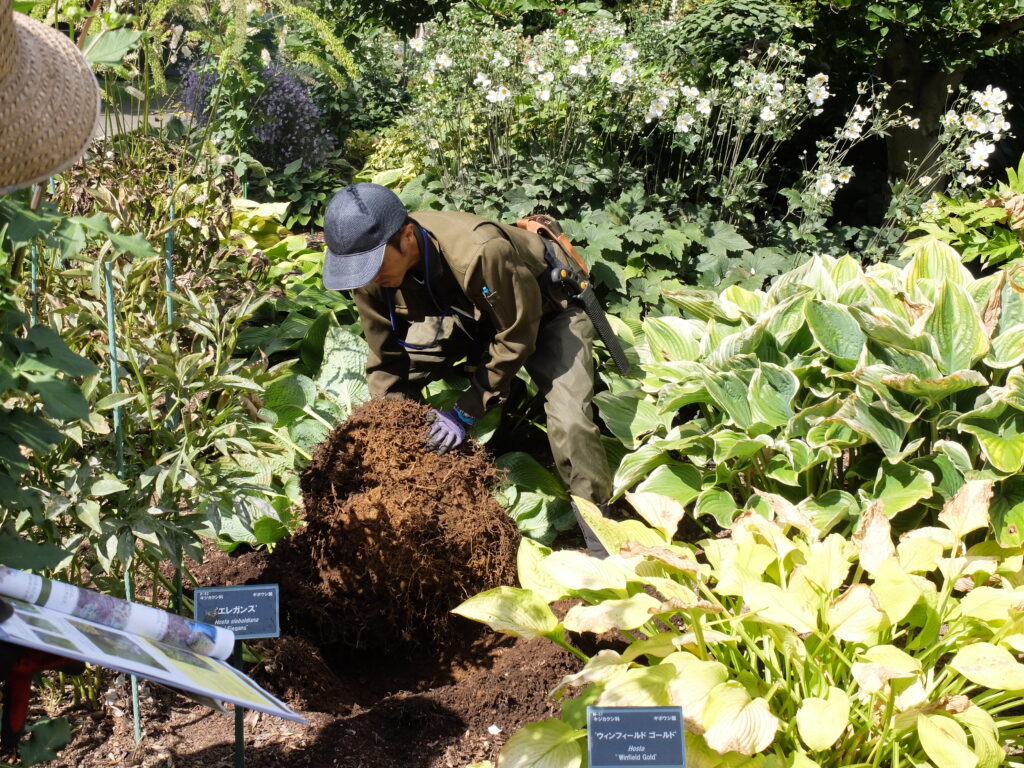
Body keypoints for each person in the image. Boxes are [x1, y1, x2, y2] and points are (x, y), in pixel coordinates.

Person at [322, 182, 613, 557]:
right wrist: (390, 431)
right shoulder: (370, 272)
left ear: (407, 236)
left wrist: (466, 410)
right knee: (394, 389)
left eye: (372, 266)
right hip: (466, 313)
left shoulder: (479, 250)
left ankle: (601, 537)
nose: (367, 277)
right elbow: (386, 357)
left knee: (571, 421)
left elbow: (517, 337)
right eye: (357, 270)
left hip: (544, 311)